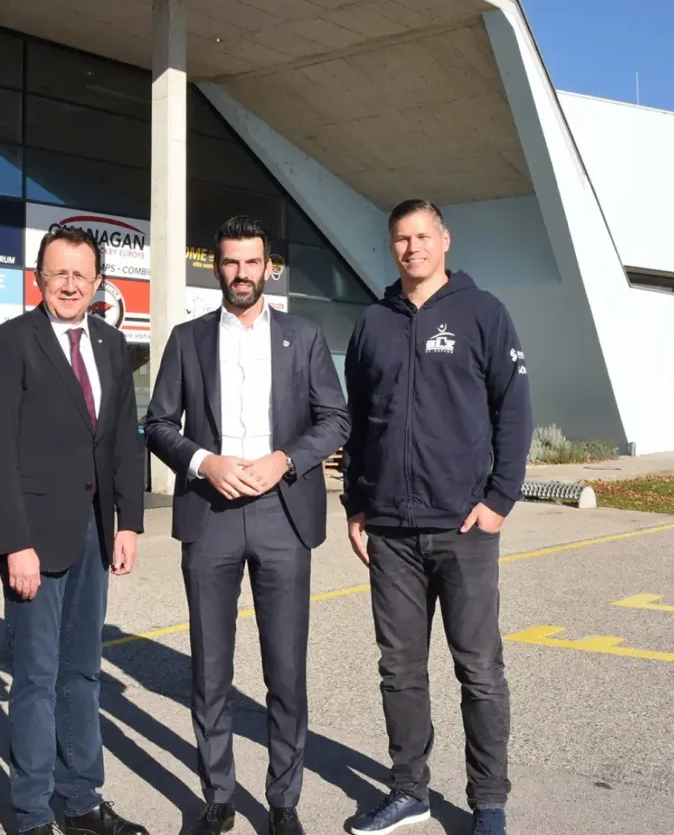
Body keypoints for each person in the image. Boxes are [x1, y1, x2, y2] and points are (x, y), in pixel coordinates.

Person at [146, 215, 350, 835]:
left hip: (282, 512)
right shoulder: (186, 339)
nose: (240, 273)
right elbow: (158, 424)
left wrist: (283, 460)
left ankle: (284, 801)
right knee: (210, 668)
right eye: (230, 262)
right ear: (216, 266)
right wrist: (205, 462)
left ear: (269, 266)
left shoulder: (304, 337)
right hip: (210, 513)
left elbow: (335, 419)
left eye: (251, 262)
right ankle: (218, 797)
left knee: (285, 667)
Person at [340, 200, 533, 835]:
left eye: (423, 235)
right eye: (401, 238)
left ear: (444, 239)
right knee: (399, 669)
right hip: (390, 528)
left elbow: (514, 411)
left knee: (478, 669)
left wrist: (499, 499)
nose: (413, 247)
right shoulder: (372, 323)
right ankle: (409, 790)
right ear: (391, 246)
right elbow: (360, 423)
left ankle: (489, 803)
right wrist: (357, 504)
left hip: (464, 526)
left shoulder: (484, 314)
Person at [0, 224, 149, 835]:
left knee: (83, 672)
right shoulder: (9, 343)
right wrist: (12, 541)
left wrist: (129, 522)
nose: (70, 285)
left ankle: (79, 801)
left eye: (81, 274)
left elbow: (124, 438)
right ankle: (28, 812)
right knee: (36, 678)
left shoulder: (108, 342)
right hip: (33, 540)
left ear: (98, 283)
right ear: (38, 280)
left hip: (93, 536)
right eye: (59, 273)